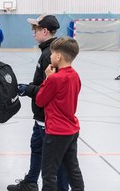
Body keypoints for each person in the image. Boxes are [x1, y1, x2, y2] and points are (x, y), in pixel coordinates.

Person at [7, 14, 68, 191]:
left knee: (51, 159)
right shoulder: (47, 51)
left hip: (47, 117)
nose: (33, 33)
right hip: (40, 115)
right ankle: (31, 182)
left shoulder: (51, 54)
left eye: (35, 30)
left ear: (45, 31)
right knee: (37, 149)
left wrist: (27, 89)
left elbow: (49, 89)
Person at [36, 37, 84, 191]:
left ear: (58, 57)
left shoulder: (55, 79)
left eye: (51, 54)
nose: (49, 57)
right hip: (71, 129)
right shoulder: (75, 75)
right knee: (73, 169)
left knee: (49, 173)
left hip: (57, 132)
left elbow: (40, 100)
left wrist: (48, 78)